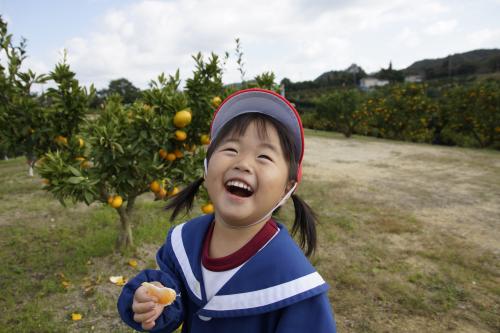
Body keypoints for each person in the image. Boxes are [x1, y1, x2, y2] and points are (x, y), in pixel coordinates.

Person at [117, 88, 337, 332]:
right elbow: (173, 293)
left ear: (288, 188)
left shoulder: (296, 287)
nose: (242, 163)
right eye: (231, 149)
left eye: (264, 156)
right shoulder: (184, 242)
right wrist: (151, 300)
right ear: (207, 167)